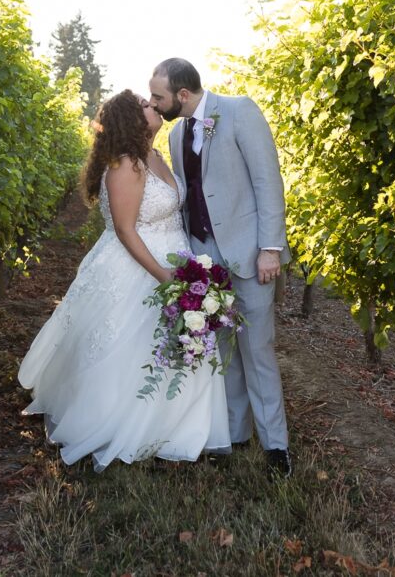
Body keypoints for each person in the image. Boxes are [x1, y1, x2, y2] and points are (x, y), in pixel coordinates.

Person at [18, 89, 231, 471]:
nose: (154, 106)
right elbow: (125, 229)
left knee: (174, 344)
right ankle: (122, 423)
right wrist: (164, 276)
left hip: (174, 257)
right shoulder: (124, 165)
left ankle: (177, 425)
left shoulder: (155, 156)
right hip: (137, 265)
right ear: (131, 120)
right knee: (130, 348)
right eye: (146, 106)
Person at [149, 58, 293, 478]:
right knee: (224, 349)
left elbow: (269, 181)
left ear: (182, 94)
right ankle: (235, 432)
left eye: (159, 96)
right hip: (204, 257)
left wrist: (270, 248)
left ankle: (276, 447)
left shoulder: (238, 111)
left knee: (258, 350)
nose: (154, 104)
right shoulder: (177, 135)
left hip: (249, 253)